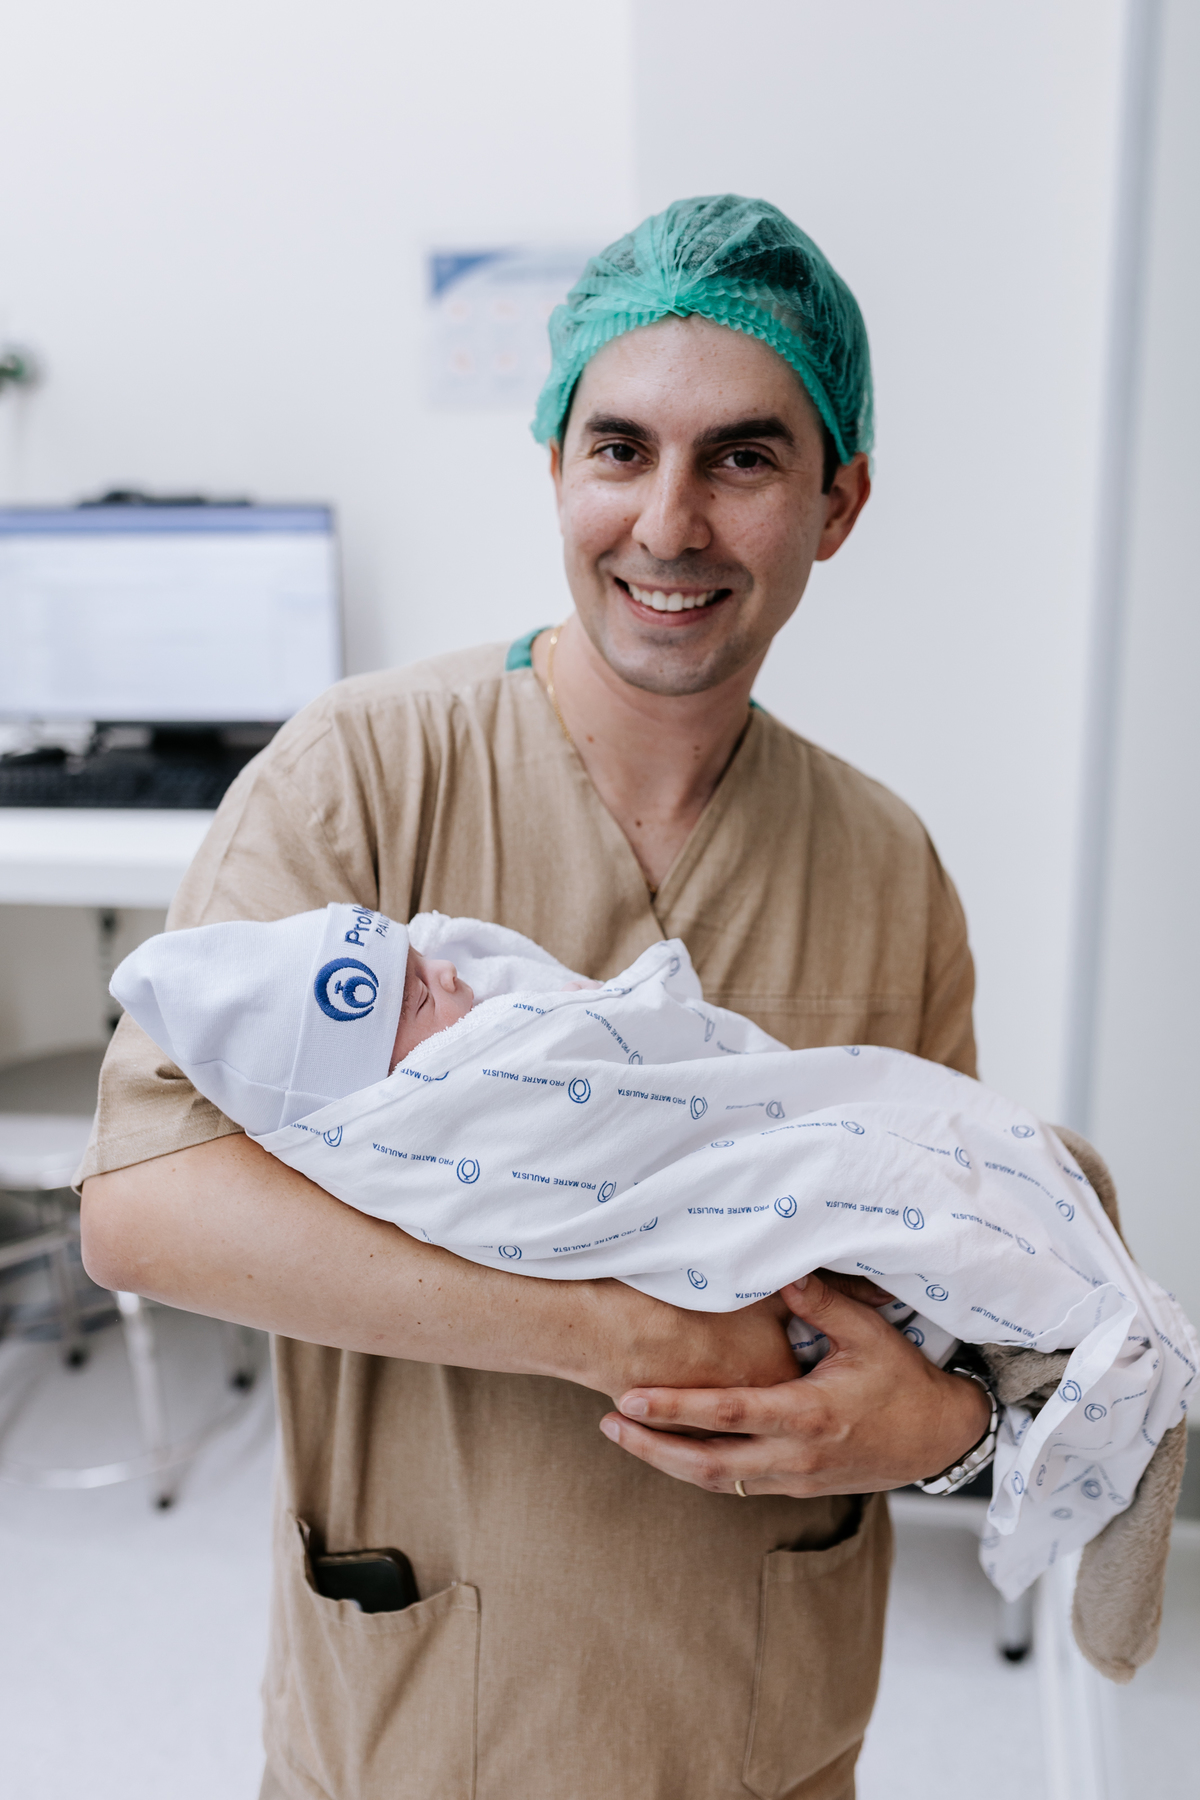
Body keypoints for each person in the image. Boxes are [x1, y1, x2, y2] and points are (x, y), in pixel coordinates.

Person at [80, 195, 994, 1800]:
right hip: (429, 1713)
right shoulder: (365, 773)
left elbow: (971, 1270)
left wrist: (936, 1428)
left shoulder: (883, 862)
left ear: (839, 500)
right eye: (620, 449)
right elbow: (144, 1208)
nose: (669, 525)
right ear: (556, 465)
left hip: (762, 1725)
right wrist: (608, 1332)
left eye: (745, 459)